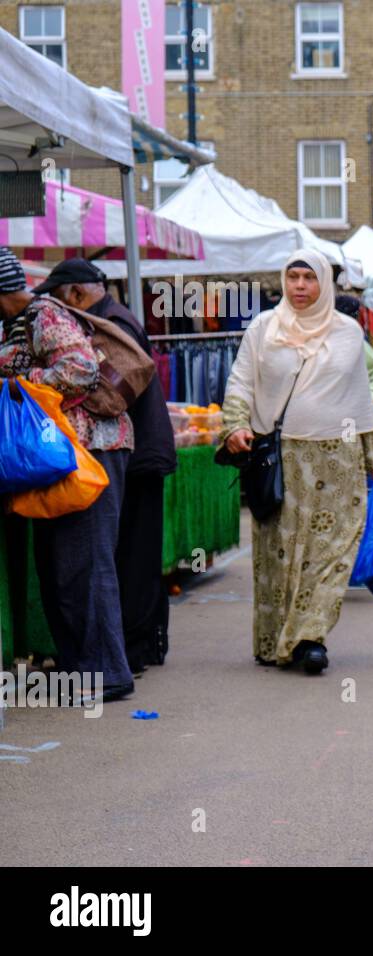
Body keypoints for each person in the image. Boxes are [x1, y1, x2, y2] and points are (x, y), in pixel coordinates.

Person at [219, 250, 373, 674]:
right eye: (293, 277)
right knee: (280, 552)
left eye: (309, 278)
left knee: (332, 550)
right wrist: (235, 425)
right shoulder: (263, 328)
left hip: (338, 459)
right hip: (280, 458)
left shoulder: (348, 333)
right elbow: (241, 382)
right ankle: (275, 637)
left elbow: (360, 400)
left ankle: (308, 637)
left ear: (325, 285)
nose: (300, 286)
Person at [0, 247, 136, 702]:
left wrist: (19, 382)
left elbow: (80, 371)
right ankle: (81, 669)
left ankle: (109, 674)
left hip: (90, 453)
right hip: (63, 457)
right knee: (61, 566)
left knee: (86, 565)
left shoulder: (45, 316)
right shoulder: (19, 322)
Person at [37, 259, 178, 677]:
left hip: (133, 456)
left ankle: (131, 652)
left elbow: (111, 390)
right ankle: (138, 649)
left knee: (129, 556)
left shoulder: (109, 322)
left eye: (59, 299)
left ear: (77, 295)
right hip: (137, 452)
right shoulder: (116, 316)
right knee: (131, 555)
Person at [336, 294, 373, 445]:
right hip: (339, 418)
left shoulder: (353, 339)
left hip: (351, 418)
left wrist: (372, 396)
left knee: (351, 453)